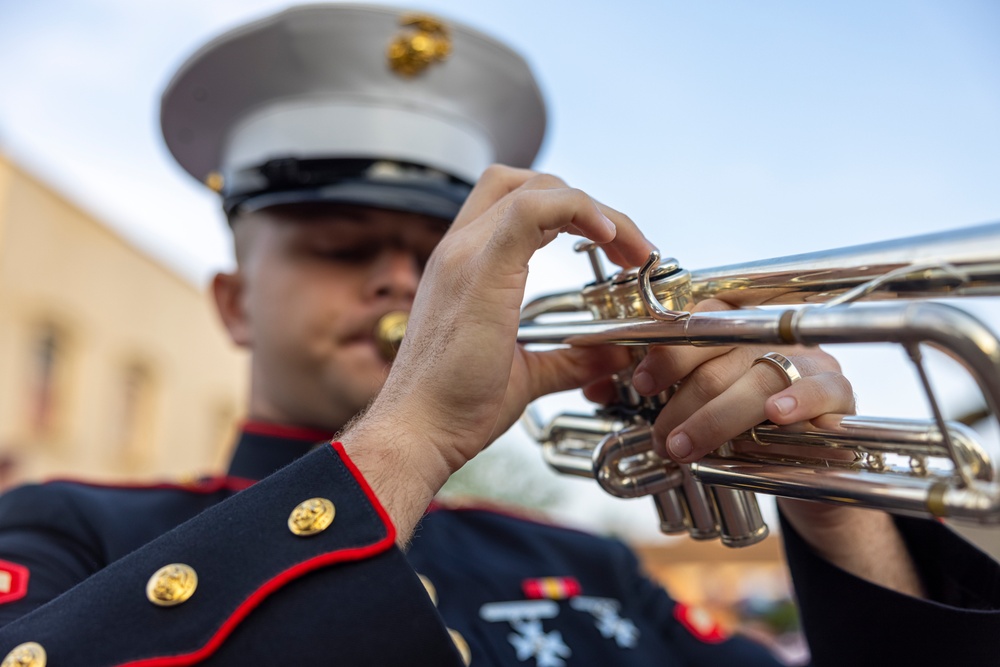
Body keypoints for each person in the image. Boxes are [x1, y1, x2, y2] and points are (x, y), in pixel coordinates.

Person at [0, 5, 997, 666]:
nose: (398, 277)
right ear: (231, 303)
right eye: (343, 247)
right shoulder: (68, 527)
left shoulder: (590, 566)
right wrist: (406, 443)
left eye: (438, 260)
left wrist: (833, 509)